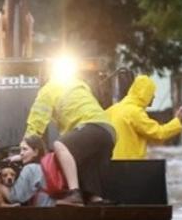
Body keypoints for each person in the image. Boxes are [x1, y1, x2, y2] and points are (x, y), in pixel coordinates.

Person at [23, 71, 116, 206]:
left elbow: (37, 119)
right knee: (86, 163)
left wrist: (25, 146)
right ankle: (95, 198)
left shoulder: (48, 89)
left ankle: (74, 193)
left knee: (61, 145)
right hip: (108, 132)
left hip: (90, 125)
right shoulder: (80, 84)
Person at [107, 75, 182, 160]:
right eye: (151, 93)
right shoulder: (135, 113)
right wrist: (177, 121)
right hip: (129, 166)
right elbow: (158, 133)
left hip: (111, 165)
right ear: (144, 93)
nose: (154, 97)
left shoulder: (112, 110)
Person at [0, 135, 57, 207]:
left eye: (24, 149)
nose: (21, 153)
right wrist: (21, 158)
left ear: (36, 152)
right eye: (20, 150)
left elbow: (15, 198)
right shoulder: (44, 167)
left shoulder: (30, 169)